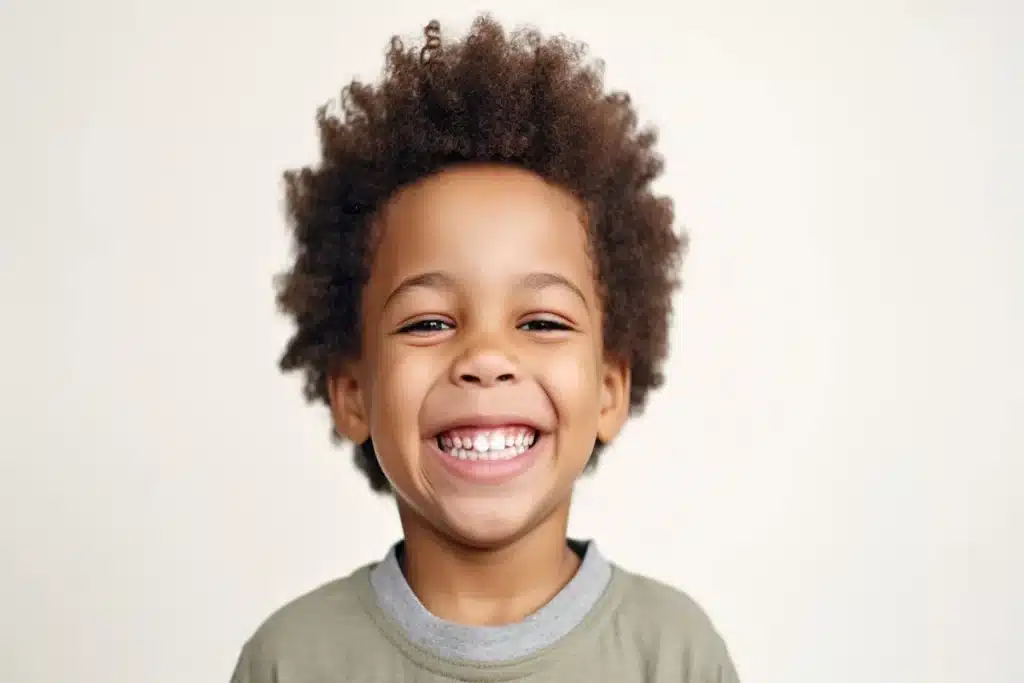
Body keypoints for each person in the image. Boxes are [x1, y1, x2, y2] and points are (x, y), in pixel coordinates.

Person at [231, 14, 739, 682]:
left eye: (543, 322)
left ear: (610, 388)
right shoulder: (292, 660)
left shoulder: (673, 654)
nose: (485, 357)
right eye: (429, 323)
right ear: (352, 391)